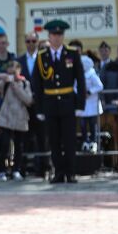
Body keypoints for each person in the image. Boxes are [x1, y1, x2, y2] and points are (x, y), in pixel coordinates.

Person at [31, 20, 86, 183]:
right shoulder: (42, 56)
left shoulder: (72, 53)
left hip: (68, 102)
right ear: (49, 36)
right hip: (49, 103)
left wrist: (80, 105)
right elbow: (37, 84)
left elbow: (80, 80)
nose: (57, 37)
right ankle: (59, 172)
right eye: (54, 35)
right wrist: (39, 108)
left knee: (69, 140)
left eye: (60, 34)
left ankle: (71, 172)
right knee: (54, 141)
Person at [0, 60, 32, 181]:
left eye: (15, 68)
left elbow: (28, 100)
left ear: (19, 70)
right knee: (4, 144)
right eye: (9, 68)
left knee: (19, 145)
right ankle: (1, 170)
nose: (12, 70)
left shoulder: (24, 83)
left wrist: (14, 85)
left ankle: (16, 169)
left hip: (20, 117)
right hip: (6, 117)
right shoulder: (4, 83)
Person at [18, 31, 48, 178]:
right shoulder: (19, 60)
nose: (31, 44)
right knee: (24, 138)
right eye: (28, 41)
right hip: (24, 105)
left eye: (33, 41)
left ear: (37, 42)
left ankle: (43, 167)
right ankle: (22, 168)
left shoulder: (44, 58)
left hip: (40, 104)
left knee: (42, 137)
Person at [77, 54, 103, 153]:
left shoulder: (92, 74)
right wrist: (79, 93)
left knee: (93, 125)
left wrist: (89, 92)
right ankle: (85, 141)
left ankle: (93, 142)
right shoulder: (78, 74)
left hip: (92, 104)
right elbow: (74, 86)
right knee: (83, 125)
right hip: (83, 105)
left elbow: (99, 86)